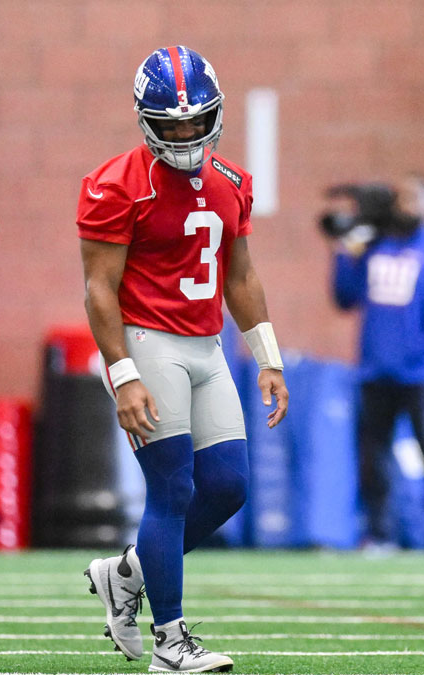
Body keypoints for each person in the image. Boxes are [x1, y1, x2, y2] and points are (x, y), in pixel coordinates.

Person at [77, 46, 288, 673]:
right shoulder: (115, 184)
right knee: (171, 489)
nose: (186, 133)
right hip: (149, 341)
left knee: (228, 487)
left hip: (208, 343)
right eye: (171, 124)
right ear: (146, 120)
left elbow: (241, 275)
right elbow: (98, 289)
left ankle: (124, 574)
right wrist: (123, 374)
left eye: (196, 121)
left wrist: (268, 355)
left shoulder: (231, 183)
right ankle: (169, 640)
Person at [326, 173, 424, 552]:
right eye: (399, 197)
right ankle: (379, 532)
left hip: (421, 375)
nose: (402, 204)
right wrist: (342, 250)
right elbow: (345, 297)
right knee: (374, 455)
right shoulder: (376, 248)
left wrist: (412, 352)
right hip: (375, 371)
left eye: (412, 197)